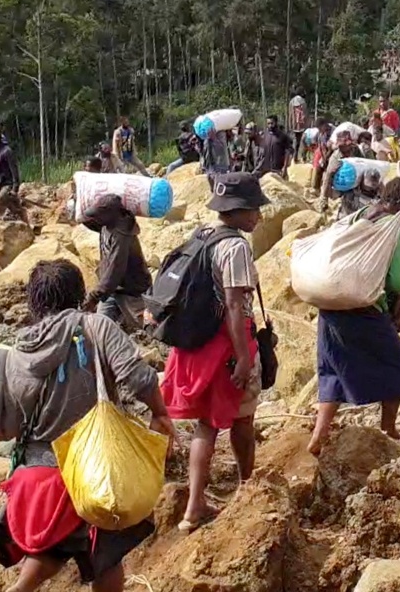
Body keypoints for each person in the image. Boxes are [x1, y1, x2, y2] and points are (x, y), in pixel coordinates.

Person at [0, 259, 174, 592]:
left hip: (38, 478)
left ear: (34, 302)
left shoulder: (15, 353)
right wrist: (160, 414)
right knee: (106, 560)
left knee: (49, 555)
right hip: (98, 469)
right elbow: (138, 376)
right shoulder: (97, 327)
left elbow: (1, 429)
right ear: (79, 293)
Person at [162, 173, 269, 533]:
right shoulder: (235, 247)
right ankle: (247, 485)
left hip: (198, 348)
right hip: (226, 347)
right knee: (242, 419)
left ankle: (194, 506)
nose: (258, 216)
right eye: (254, 209)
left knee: (205, 426)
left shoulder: (203, 236)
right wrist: (242, 357)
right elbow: (235, 306)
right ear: (237, 211)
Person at [309, 177, 400, 455]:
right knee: (399, 366)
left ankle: (319, 435)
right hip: (363, 310)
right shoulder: (395, 232)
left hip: (330, 307)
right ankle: (388, 428)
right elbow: (396, 283)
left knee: (332, 369)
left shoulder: (358, 215)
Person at [81, 194, 151, 333]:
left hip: (131, 290)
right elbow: (88, 219)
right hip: (112, 290)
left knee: (148, 327)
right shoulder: (107, 225)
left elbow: (115, 269)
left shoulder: (122, 234)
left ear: (111, 214)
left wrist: (94, 296)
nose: (96, 218)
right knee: (100, 328)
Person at [318, 128, 362, 213]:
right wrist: (324, 199)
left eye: (348, 145)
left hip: (353, 180)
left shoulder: (355, 150)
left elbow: (362, 162)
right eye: (342, 146)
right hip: (339, 184)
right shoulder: (335, 158)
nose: (346, 148)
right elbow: (328, 177)